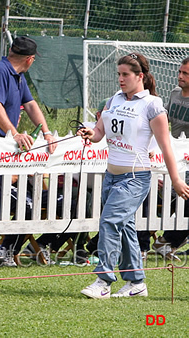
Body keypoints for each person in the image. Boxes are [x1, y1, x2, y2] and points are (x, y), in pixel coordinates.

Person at [78, 52, 189, 299]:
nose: (121, 79)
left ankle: (103, 280)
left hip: (134, 179)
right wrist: (89, 133)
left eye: (126, 74)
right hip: (111, 176)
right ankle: (136, 282)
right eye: (118, 74)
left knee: (108, 223)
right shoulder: (113, 100)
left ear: (141, 76)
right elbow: (99, 133)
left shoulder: (152, 105)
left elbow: (165, 147)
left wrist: (177, 179)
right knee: (125, 227)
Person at [0, 36, 57, 268]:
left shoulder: (17, 75)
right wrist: (14, 134)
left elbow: (31, 104)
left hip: (2, 149)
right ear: (30, 59)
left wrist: (47, 133)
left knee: (2, 199)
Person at [152, 57, 189, 259]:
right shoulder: (175, 94)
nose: (180, 76)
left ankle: (168, 240)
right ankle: (166, 240)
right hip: (168, 159)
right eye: (180, 72)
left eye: (186, 74)